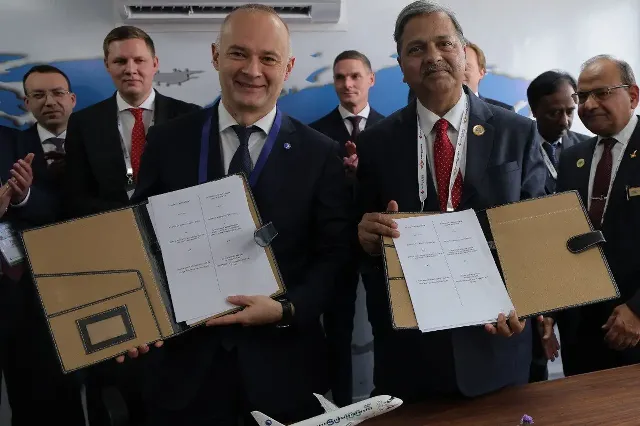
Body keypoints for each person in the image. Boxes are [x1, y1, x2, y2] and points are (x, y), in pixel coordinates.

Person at [127, 4, 352, 425]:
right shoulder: (167, 141)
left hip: (283, 370)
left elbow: (335, 257)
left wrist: (287, 310)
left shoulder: (319, 153)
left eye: (268, 58)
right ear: (216, 56)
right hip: (184, 372)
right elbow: (140, 241)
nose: (252, 70)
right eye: (238, 53)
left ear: (288, 67)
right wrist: (140, 316)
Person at [356, 1, 549, 402]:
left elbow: (538, 235)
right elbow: (359, 243)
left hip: (498, 347)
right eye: (416, 49)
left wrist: (528, 302)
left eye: (444, 44)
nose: (432, 57)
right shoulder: (375, 143)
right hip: (411, 356)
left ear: (463, 53)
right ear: (401, 66)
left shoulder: (517, 133)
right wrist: (366, 238)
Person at [63, 25, 199, 425]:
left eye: (139, 60)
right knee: (124, 375)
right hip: (114, 263)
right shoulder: (84, 124)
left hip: (178, 264)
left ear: (155, 64)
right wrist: (127, 219)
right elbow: (75, 198)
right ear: (107, 66)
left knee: (181, 376)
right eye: (120, 61)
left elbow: (197, 190)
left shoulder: (191, 117)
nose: (130, 68)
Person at [556, 55, 640, 376]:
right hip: (582, 335)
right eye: (582, 96)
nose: (589, 105)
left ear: (632, 95)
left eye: (602, 93)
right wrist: (548, 310)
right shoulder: (572, 158)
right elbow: (564, 239)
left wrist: (637, 309)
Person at [309, 49, 383, 406]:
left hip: (381, 246)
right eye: (339, 77)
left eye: (354, 76)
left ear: (371, 79)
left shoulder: (392, 129)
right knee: (337, 330)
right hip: (334, 246)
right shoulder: (314, 134)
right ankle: (339, 407)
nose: (347, 84)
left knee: (387, 325)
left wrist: (362, 175)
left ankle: (388, 403)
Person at [0, 123, 84, 425]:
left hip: (24, 296)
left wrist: (23, 196)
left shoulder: (17, 141)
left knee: (44, 402)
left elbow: (56, 208)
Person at [527, 70, 590, 195]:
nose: (565, 122)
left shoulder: (588, 147)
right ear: (534, 111)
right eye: (555, 113)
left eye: (570, 112)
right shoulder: (518, 148)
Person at [463, 41, 513, 110]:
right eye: (452, 68)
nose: (458, 73)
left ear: (481, 73)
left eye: (465, 68)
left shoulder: (505, 112)